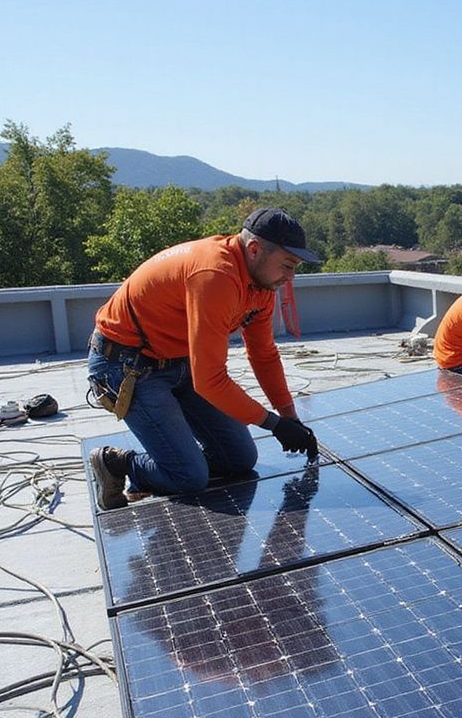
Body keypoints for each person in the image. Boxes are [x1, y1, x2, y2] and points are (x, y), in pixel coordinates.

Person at [87, 208, 320, 511]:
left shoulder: (261, 284)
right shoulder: (216, 275)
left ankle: (174, 460)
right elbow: (210, 381)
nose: (290, 277)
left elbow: (263, 354)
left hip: (179, 361)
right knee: (189, 477)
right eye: (288, 265)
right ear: (254, 249)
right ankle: (118, 463)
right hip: (127, 364)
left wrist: (290, 417)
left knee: (241, 459)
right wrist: (274, 425)